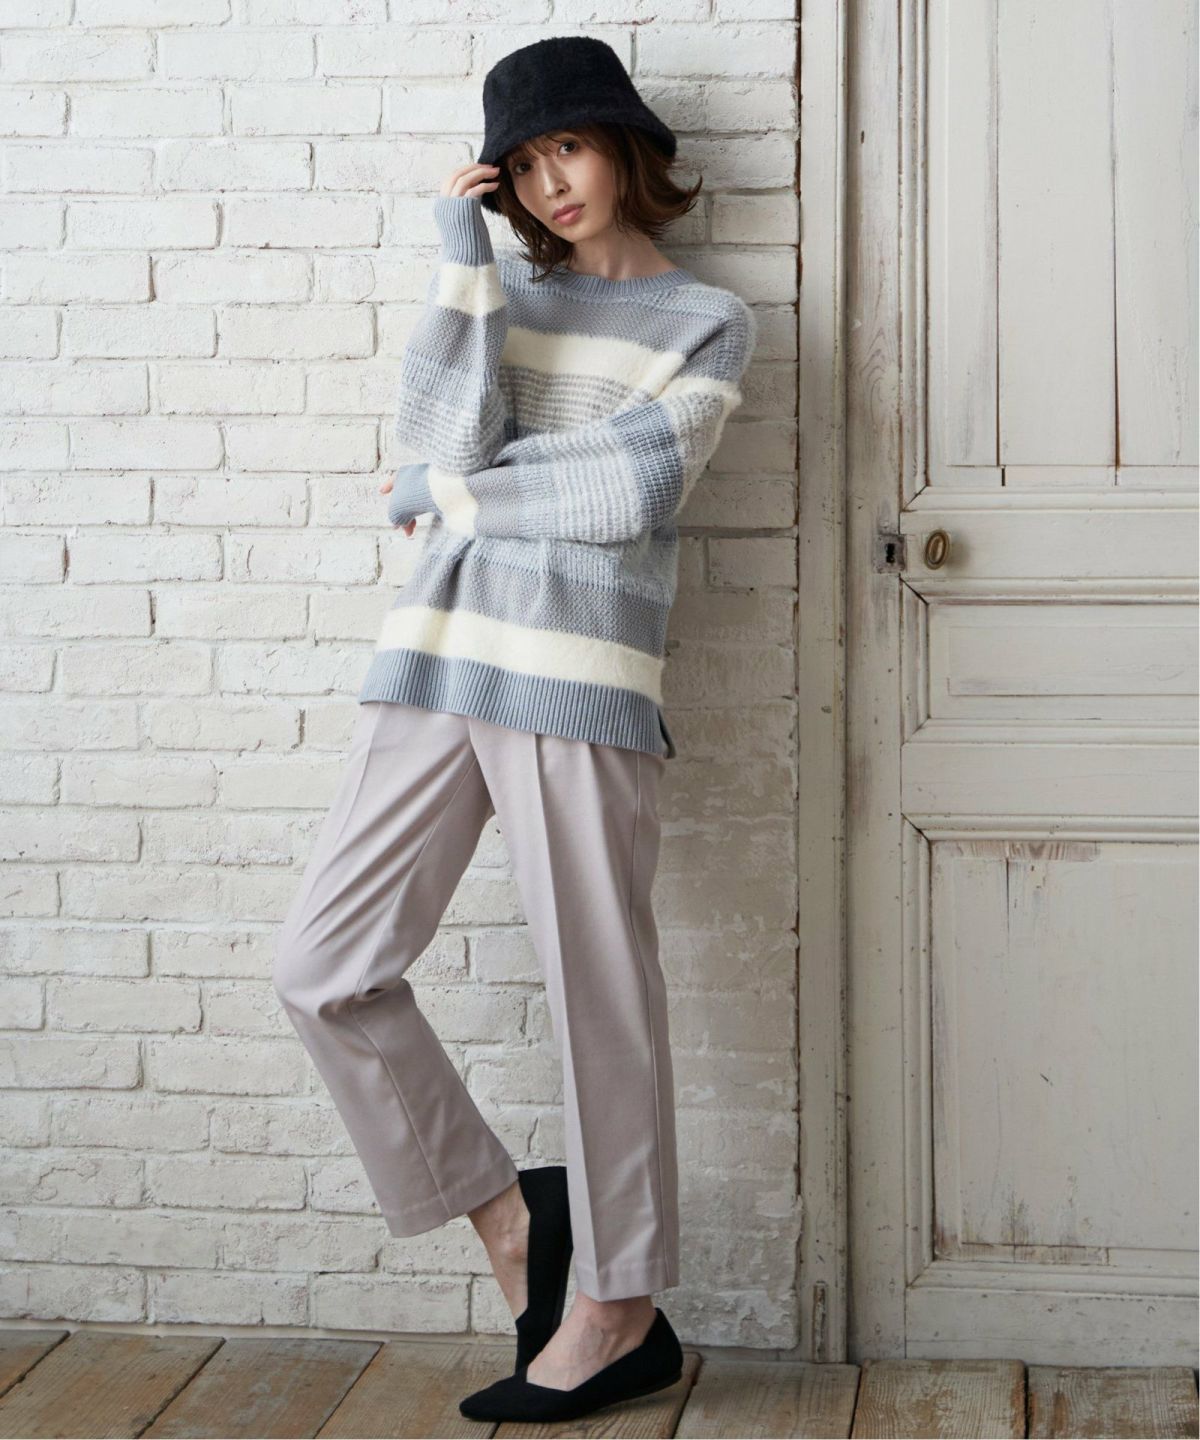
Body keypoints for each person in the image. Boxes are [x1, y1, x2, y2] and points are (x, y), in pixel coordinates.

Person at [272, 34, 756, 1425]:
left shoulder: (707, 321)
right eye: (524, 163)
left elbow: (629, 488)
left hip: (578, 679)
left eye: (571, 148)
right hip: (435, 659)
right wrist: (460, 259)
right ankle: (508, 1216)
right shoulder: (501, 296)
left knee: (602, 996)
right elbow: (436, 437)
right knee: (323, 968)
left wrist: (457, 496)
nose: (552, 183)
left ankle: (620, 1305)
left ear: (626, 149)